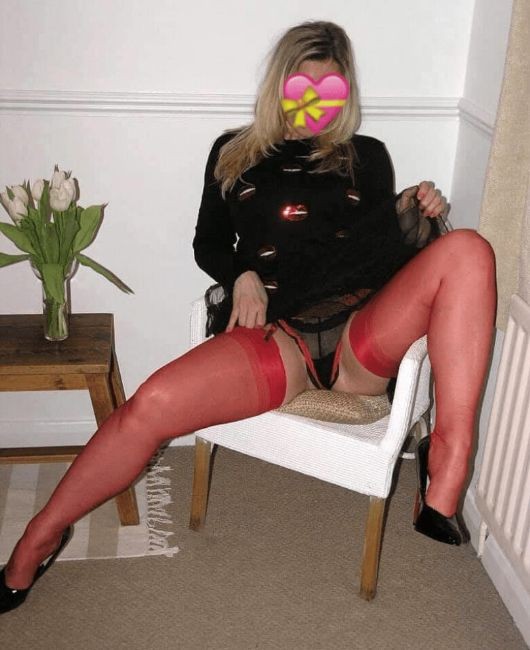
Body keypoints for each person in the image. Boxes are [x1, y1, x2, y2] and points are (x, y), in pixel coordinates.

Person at [0, 20, 496, 615]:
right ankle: (40, 536)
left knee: (467, 249)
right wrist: (241, 274)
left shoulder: (367, 156)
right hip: (277, 331)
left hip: (363, 334)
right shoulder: (233, 152)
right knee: (151, 404)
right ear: (279, 83)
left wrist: (414, 215)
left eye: (329, 88)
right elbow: (207, 243)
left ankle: (447, 459)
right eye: (301, 84)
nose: (314, 101)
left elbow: (382, 257)